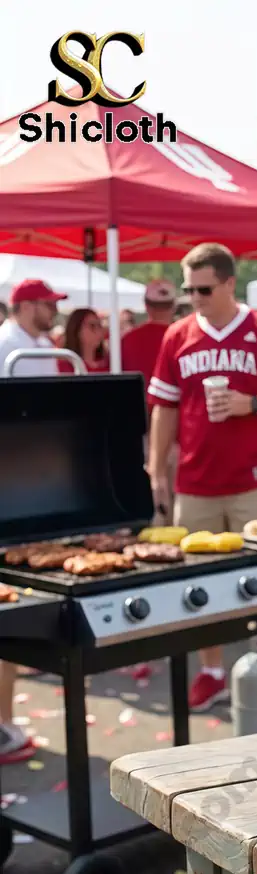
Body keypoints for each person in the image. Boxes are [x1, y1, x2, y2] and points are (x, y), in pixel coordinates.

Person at [146, 242, 257, 711]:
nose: (194, 297)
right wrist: (156, 468)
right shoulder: (177, 334)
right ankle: (212, 670)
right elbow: (164, 407)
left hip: (255, 478)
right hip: (195, 481)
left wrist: (250, 403)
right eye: (188, 289)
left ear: (228, 283)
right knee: (196, 586)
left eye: (203, 289)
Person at [0, 279, 69, 764]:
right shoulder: (6, 346)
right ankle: (3, 725)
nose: (54, 312)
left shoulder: (43, 346)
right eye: (48, 304)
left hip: (36, 482)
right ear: (27, 306)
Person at [122, 280, 178, 395]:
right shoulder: (183, 338)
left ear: (146, 305)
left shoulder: (128, 339)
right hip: (172, 408)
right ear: (173, 306)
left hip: (136, 406)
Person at [0, 279, 66, 377]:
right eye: (49, 305)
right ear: (25, 306)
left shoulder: (46, 344)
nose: (55, 311)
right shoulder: (4, 344)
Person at [58, 308, 108, 373]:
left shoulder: (110, 363)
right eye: (92, 326)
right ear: (77, 330)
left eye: (99, 326)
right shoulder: (65, 365)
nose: (99, 331)